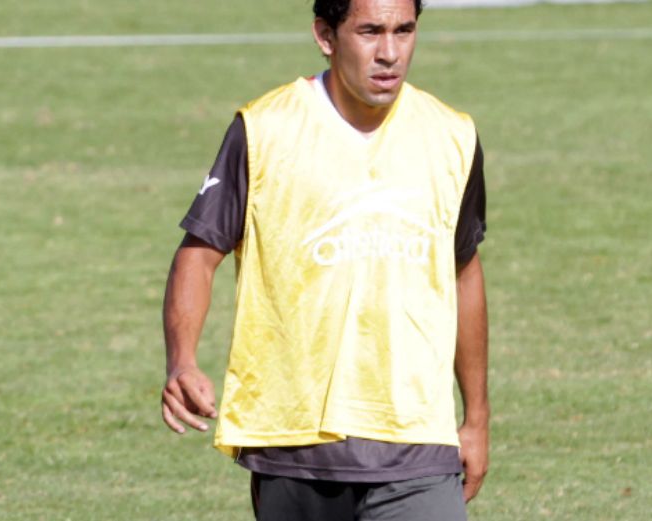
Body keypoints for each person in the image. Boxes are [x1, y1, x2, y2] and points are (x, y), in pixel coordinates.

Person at [161, 0, 489, 519]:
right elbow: (199, 255)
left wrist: (476, 419)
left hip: (418, 443)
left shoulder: (452, 136)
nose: (389, 53)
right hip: (294, 442)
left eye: (404, 31)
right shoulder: (265, 129)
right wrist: (181, 360)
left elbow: (463, 271)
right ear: (325, 34)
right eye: (369, 31)